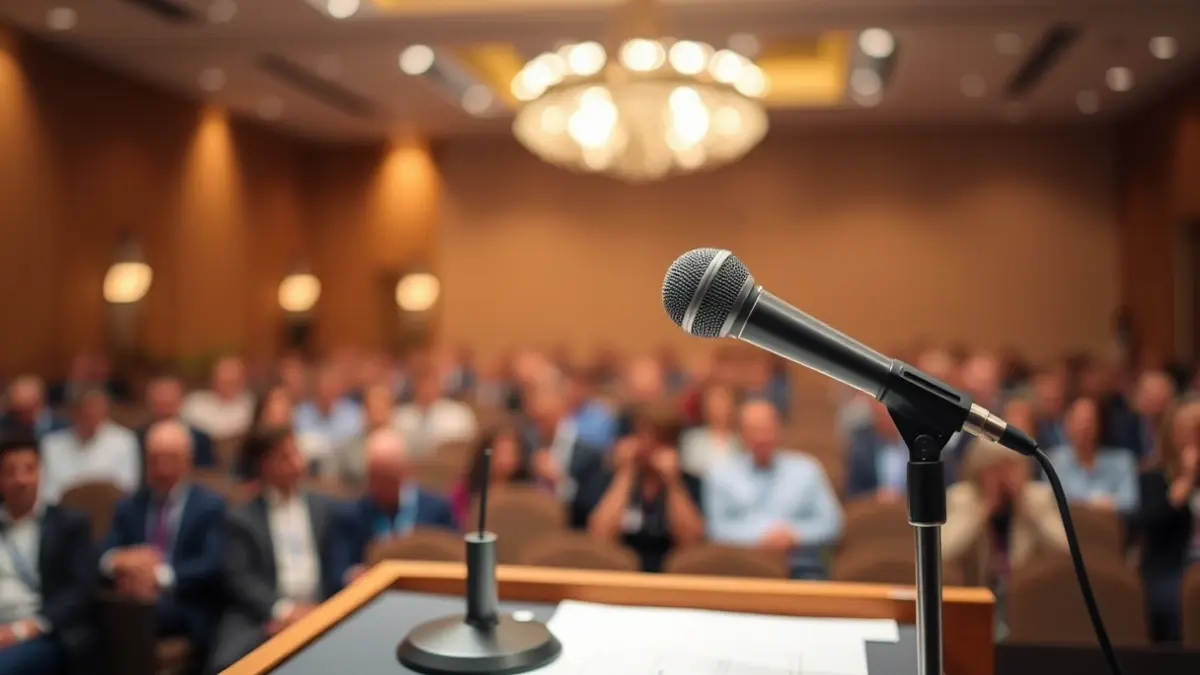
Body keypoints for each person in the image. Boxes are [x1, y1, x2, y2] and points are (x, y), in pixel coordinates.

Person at [207, 427, 356, 673]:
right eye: (286, 457)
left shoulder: (325, 509)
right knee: (227, 664)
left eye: (297, 453)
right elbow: (239, 578)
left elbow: (336, 567)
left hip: (319, 609)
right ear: (265, 465)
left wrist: (345, 580)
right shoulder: (241, 516)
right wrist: (283, 611)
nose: (298, 463)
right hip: (262, 613)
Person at [100, 421, 226, 657]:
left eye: (170, 459)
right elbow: (103, 553)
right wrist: (120, 561)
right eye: (155, 459)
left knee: (133, 612)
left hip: (184, 602)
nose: (162, 468)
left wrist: (157, 577)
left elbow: (212, 565)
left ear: (188, 460)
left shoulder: (210, 506)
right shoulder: (130, 504)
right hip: (132, 598)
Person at [705, 399, 843, 579]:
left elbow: (832, 524)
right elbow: (716, 529)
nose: (762, 437)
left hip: (799, 565)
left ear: (779, 429)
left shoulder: (807, 469)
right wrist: (762, 537)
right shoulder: (721, 473)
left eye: (767, 429)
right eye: (754, 430)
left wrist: (794, 535)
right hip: (742, 568)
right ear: (741, 434)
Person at [943, 399, 1067, 587]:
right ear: (980, 471)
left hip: (1026, 595)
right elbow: (943, 551)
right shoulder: (963, 498)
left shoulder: (1037, 497)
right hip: (977, 591)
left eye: (1010, 468)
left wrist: (1026, 507)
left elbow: (1065, 548)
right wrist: (984, 511)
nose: (1003, 478)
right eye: (995, 469)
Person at [0, 438, 95, 675]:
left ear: (41, 474)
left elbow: (81, 590)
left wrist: (23, 629)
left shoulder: (69, 524)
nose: (20, 480)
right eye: (11, 472)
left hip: (40, 632)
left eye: (29, 470)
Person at [574, 404, 705, 572]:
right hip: (617, 573)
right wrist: (626, 473)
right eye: (643, 437)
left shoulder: (689, 482)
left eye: (659, 439)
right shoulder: (608, 478)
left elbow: (691, 542)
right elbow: (600, 536)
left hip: (670, 575)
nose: (649, 446)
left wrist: (673, 483)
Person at [345, 430, 456, 580]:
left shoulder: (437, 510)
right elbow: (338, 572)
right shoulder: (352, 515)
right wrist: (353, 575)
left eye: (389, 479)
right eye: (377, 478)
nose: (382, 487)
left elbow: (455, 561)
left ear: (406, 471)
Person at [1138, 400, 1200, 643]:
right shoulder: (1154, 477)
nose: (1194, 437)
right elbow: (1150, 526)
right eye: (1187, 430)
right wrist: (1184, 481)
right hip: (1171, 568)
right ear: (1172, 435)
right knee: (1174, 602)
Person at [39, 388, 140, 502]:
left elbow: (128, 488)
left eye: (96, 412)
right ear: (74, 413)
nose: (91, 416)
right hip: (63, 514)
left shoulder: (125, 441)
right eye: (86, 413)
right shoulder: (51, 445)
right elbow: (48, 493)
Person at [1048, 396, 1140, 516]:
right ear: (1067, 425)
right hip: (1065, 530)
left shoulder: (1122, 460)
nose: (1085, 427)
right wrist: (1097, 503)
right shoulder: (1054, 461)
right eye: (1079, 421)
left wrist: (1083, 505)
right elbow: (1051, 503)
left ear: (1099, 425)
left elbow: (1130, 502)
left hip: (1109, 528)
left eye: (1089, 421)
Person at [449, 422, 538, 527]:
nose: (506, 459)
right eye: (501, 452)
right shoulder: (465, 488)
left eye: (511, 452)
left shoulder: (529, 491)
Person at [136, 376, 216, 474]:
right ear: (149, 401)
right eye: (160, 396)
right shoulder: (136, 438)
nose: (165, 401)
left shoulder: (200, 439)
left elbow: (207, 476)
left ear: (182, 400)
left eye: (170, 397)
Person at [392, 365, 477, 458]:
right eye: (422, 383)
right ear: (414, 386)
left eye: (431, 382)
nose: (426, 388)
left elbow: (467, 448)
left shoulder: (459, 413)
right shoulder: (400, 417)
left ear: (440, 385)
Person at [325, 384, 396, 489]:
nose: (378, 413)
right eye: (373, 407)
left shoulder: (404, 448)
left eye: (382, 406)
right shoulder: (346, 449)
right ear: (364, 411)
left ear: (391, 410)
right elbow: (331, 482)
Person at [844, 401, 908, 502]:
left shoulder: (918, 444)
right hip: (875, 510)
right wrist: (874, 496)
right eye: (879, 416)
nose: (885, 421)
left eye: (888, 416)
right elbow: (852, 494)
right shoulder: (861, 449)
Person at [182, 356, 255, 441]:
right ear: (213, 379)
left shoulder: (252, 403)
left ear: (242, 381)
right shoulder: (195, 401)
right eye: (223, 379)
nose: (226, 385)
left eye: (232, 381)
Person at [1111, 370, 1177, 461]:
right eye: (1150, 399)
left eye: (1160, 400)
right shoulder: (1123, 427)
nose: (1155, 406)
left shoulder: (1176, 428)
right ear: (1139, 398)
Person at [679, 383, 739, 476]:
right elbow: (690, 471)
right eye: (713, 402)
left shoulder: (740, 441)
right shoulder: (692, 439)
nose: (718, 407)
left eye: (722, 401)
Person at [0, 377, 66, 439]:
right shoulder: (4, 426)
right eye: (18, 411)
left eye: (28, 409)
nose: (23, 416)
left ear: (41, 403)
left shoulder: (62, 427)